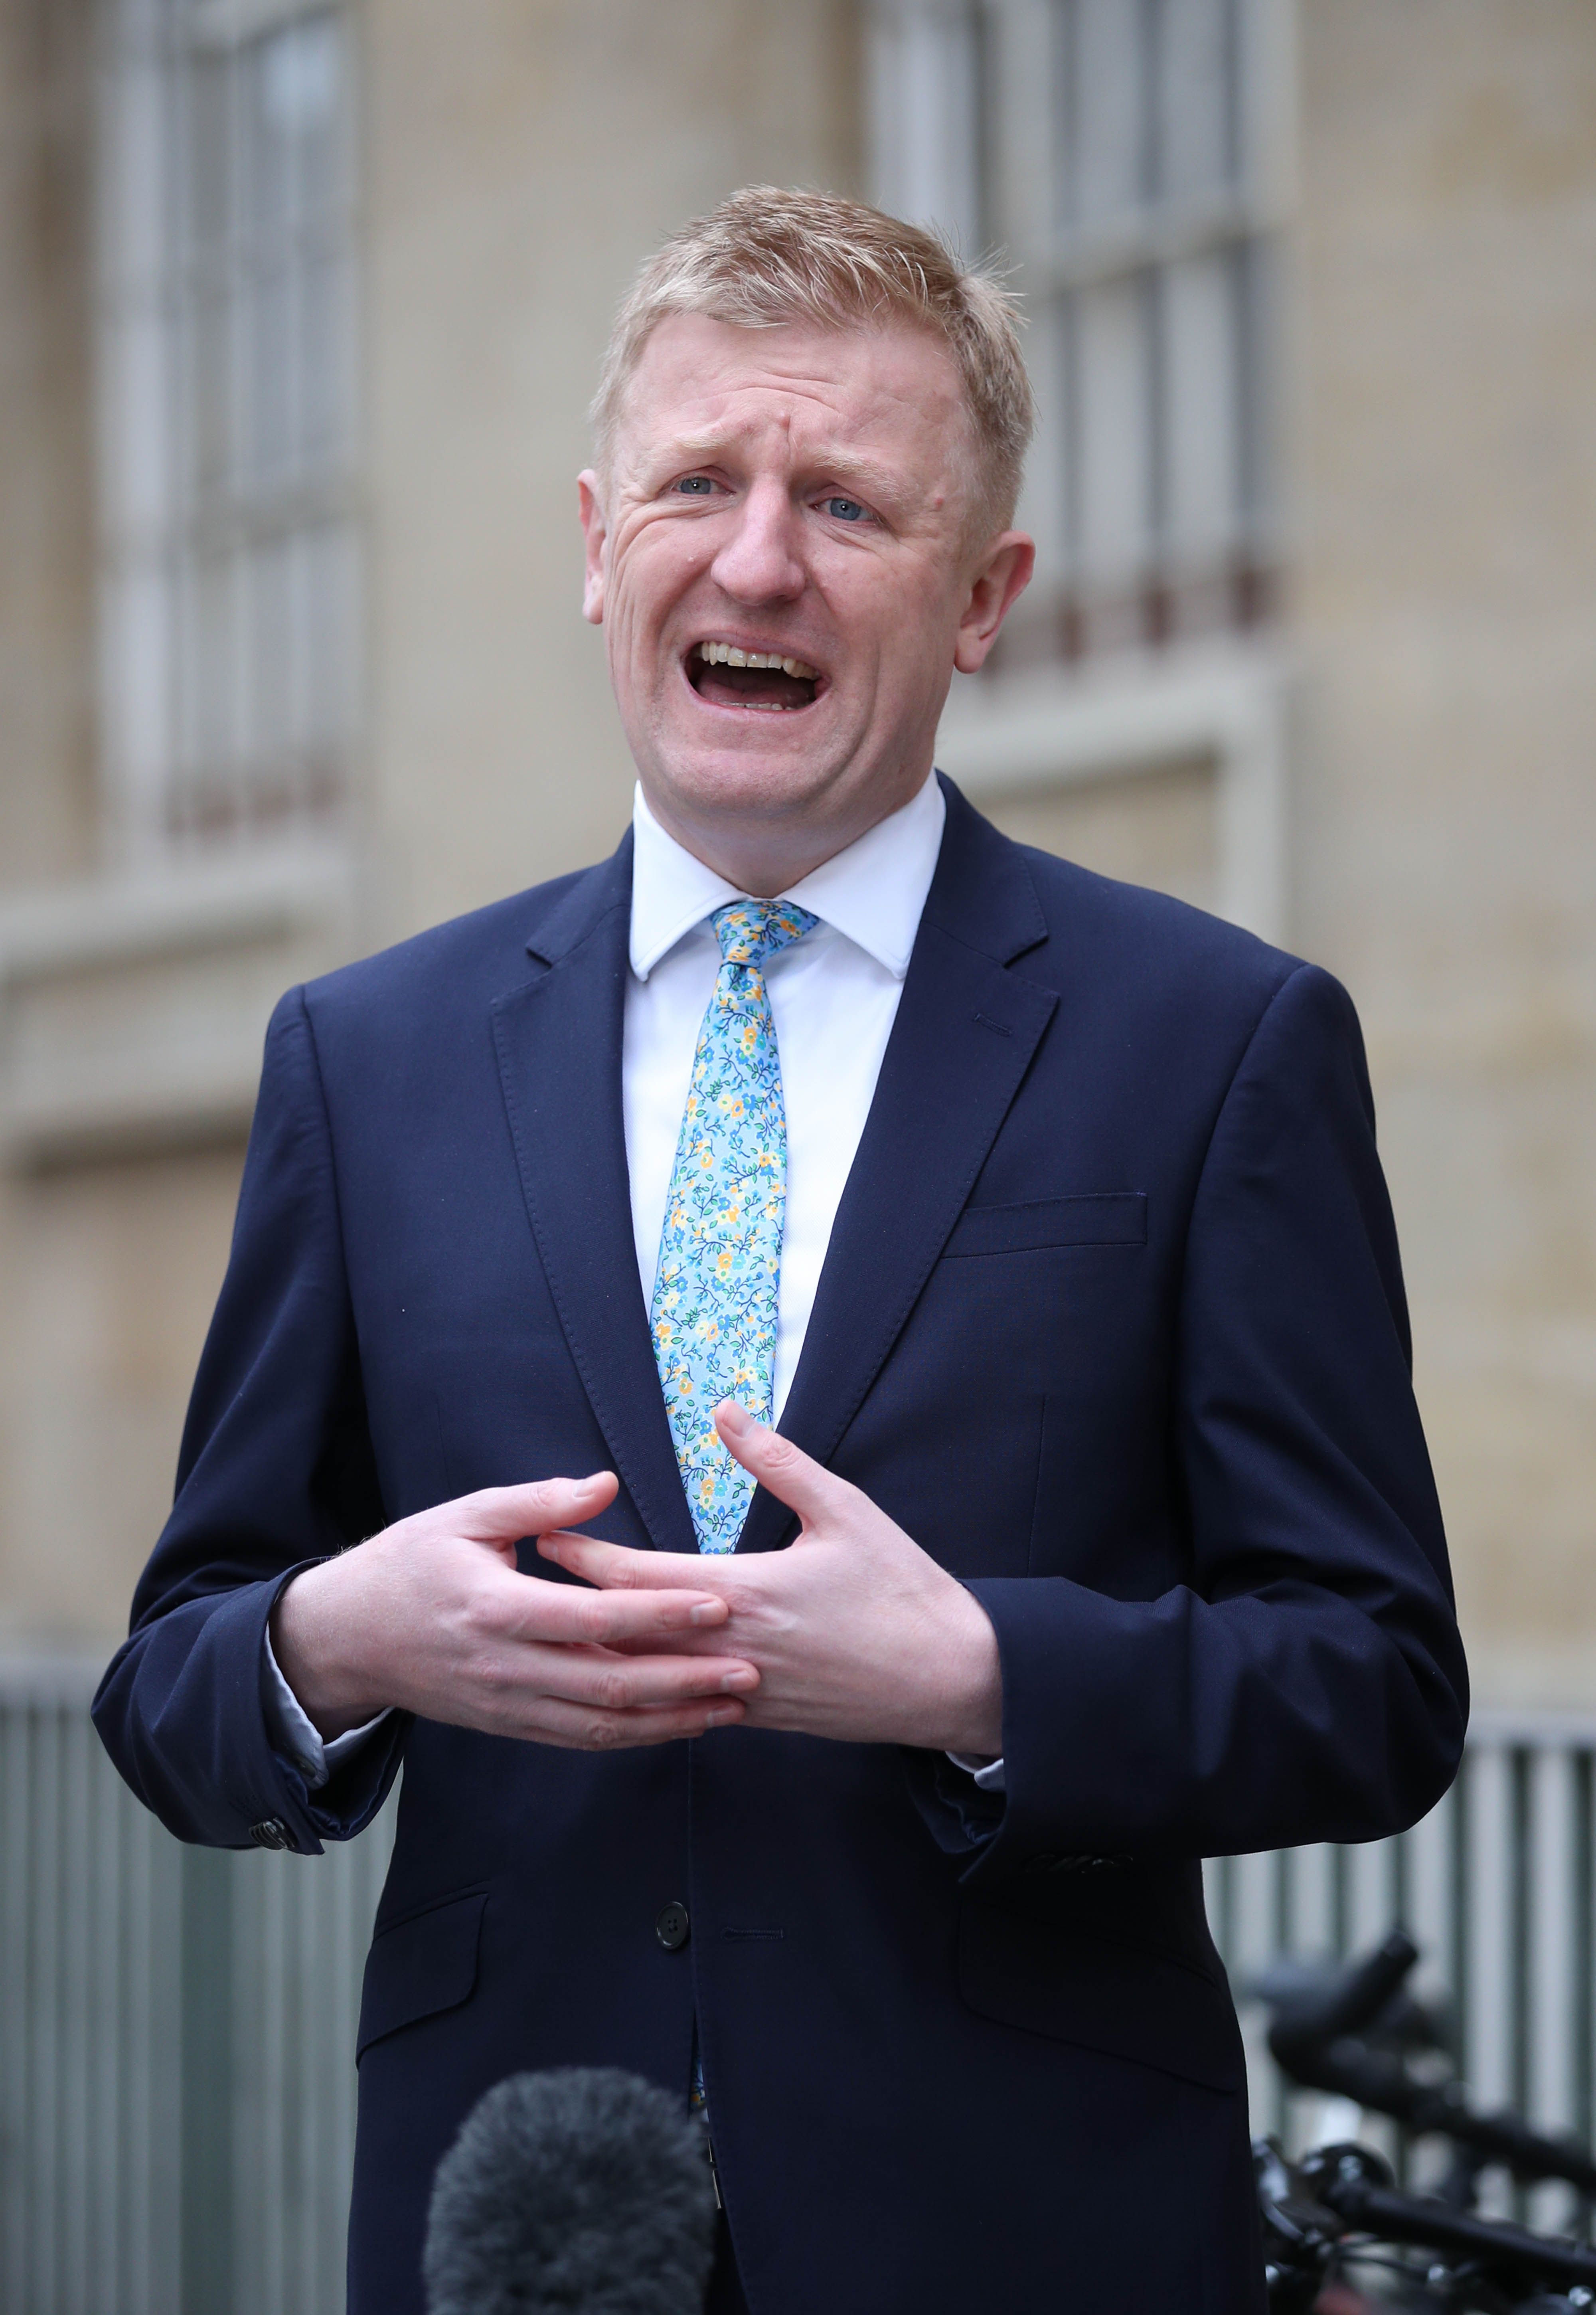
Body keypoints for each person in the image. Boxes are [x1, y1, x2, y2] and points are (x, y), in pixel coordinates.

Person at [94, 187, 1468, 2314]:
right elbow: (174, 1685)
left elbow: (1376, 1686)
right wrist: (338, 1641)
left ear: (985, 593)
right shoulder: (364, 1060)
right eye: (699, 483)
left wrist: (986, 1678)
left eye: (848, 501)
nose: (757, 558)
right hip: (522, 2239)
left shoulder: (1215, 1044)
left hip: (1032, 2239)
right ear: (592, 540)